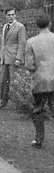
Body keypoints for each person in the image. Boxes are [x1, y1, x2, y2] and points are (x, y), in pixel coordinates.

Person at [24, 13, 54, 149]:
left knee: (38, 110)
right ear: (50, 24)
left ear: (36, 26)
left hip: (40, 81)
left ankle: (39, 139)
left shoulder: (31, 42)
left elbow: (29, 65)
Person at [0, 8, 27, 111]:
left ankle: (16, 105)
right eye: (9, 15)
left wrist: (18, 58)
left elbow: (22, 43)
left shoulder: (20, 27)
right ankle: (3, 103)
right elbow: (3, 43)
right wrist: (1, 56)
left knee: (14, 82)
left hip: (14, 59)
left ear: (15, 15)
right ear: (6, 16)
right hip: (4, 58)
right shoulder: (5, 27)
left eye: (12, 14)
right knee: (3, 82)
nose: (11, 17)